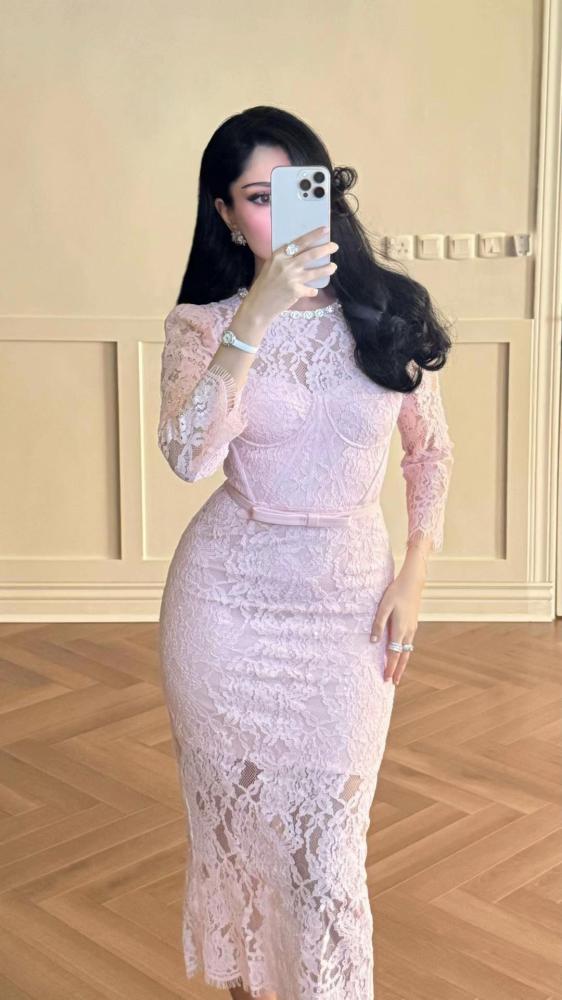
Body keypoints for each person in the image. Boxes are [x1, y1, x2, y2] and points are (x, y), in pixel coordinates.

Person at [157, 106, 455, 1000]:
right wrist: (256, 316)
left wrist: (415, 575)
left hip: (348, 603)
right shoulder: (203, 326)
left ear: (324, 192)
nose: (279, 212)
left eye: (295, 189)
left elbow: (430, 453)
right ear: (224, 215)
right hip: (224, 608)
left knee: (328, 857)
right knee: (238, 845)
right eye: (257, 197)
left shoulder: (387, 313)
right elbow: (187, 457)